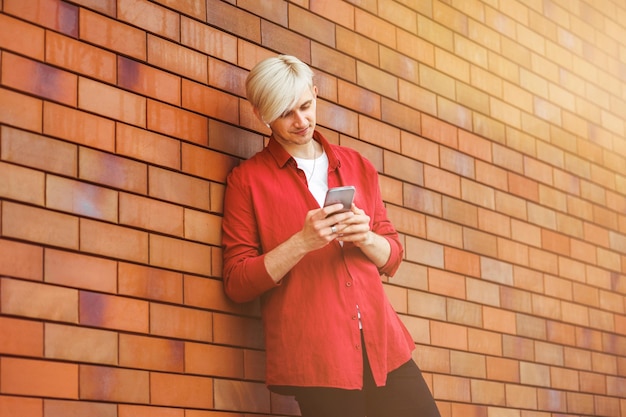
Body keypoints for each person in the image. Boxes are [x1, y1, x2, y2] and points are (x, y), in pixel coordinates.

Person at [221, 54, 441, 417]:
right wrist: (302, 242)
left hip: (383, 345)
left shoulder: (358, 166)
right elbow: (237, 281)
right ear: (262, 115)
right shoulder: (247, 181)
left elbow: (394, 255)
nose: (300, 121)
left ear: (316, 94)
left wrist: (365, 237)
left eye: (306, 106)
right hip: (318, 356)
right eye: (285, 112)